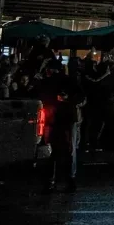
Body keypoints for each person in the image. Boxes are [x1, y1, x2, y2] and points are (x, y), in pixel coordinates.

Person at [35, 60, 85, 192]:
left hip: (55, 119)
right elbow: (81, 97)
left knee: (53, 151)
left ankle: (52, 180)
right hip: (66, 119)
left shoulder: (49, 82)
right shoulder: (69, 81)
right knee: (69, 150)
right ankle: (69, 179)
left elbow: (42, 97)